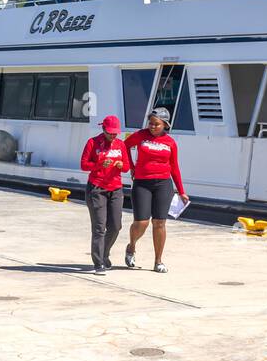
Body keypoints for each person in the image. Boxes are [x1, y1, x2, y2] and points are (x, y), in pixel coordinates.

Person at [123, 106, 187, 273]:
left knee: (159, 223)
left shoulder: (170, 142)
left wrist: (181, 191)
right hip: (142, 183)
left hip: (163, 184)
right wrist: (131, 167)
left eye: (156, 124)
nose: (152, 127)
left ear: (165, 125)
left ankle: (158, 261)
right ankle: (131, 246)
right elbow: (125, 146)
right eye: (150, 123)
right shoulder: (140, 135)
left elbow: (174, 167)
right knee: (142, 222)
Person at [80, 114, 130, 274]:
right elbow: (84, 165)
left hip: (115, 188)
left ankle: (105, 252)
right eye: (110, 133)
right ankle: (98, 262)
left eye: (115, 133)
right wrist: (99, 164)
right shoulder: (93, 143)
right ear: (103, 129)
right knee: (99, 227)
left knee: (115, 226)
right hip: (97, 188)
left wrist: (121, 165)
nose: (113, 135)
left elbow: (127, 167)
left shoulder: (120, 145)